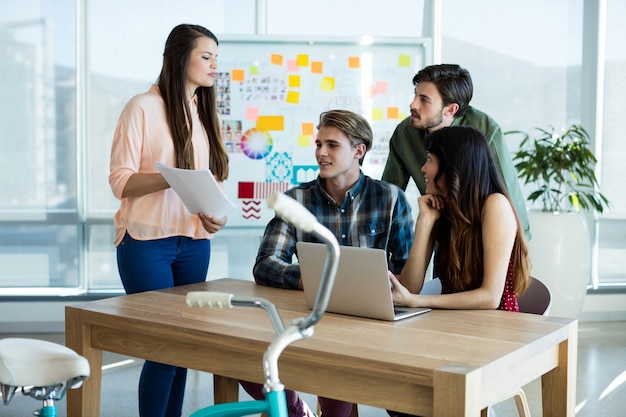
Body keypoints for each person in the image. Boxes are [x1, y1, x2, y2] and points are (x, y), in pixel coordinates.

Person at [240, 109, 415, 417]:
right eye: (319, 143)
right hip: (315, 319)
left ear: (358, 151)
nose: (321, 152)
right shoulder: (296, 201)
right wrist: (305, 277)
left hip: (371, 324)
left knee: (341, 374)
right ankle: (297, 410)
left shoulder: (391, 198)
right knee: (245, 357)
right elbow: (265, 264)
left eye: (332, 145)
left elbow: (407, 274)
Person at [108, 24, 229, 417]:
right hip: (146, 244)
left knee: (182, 350)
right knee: (162, 351)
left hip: (194, 243)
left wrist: (215, 216)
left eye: (216, 58)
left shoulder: (203, 112)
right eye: (206, 56)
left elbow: (212, 181)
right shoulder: (141, 107)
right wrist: (172, 174)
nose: (214, 66)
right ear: (180, 58)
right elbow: (120, 181)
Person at [381, 64, 531, 240]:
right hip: (441, 236)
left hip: (485, 238)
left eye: (424, 99)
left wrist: (520, 253)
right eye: (415, 95)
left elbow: (510, 198)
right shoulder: (405, 133)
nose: (412, 104)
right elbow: (387, 198)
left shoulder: (485, 129)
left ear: (450, 109)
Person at [390, 125, 531, 312]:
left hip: (496, 328)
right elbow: (408, 288)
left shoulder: (495, 204)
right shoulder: (442, 209)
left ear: (452, 166)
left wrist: (417, 301)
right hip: (452, 324)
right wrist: (425, 221)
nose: (423, 168)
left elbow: (490, 297)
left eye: (430, 159)